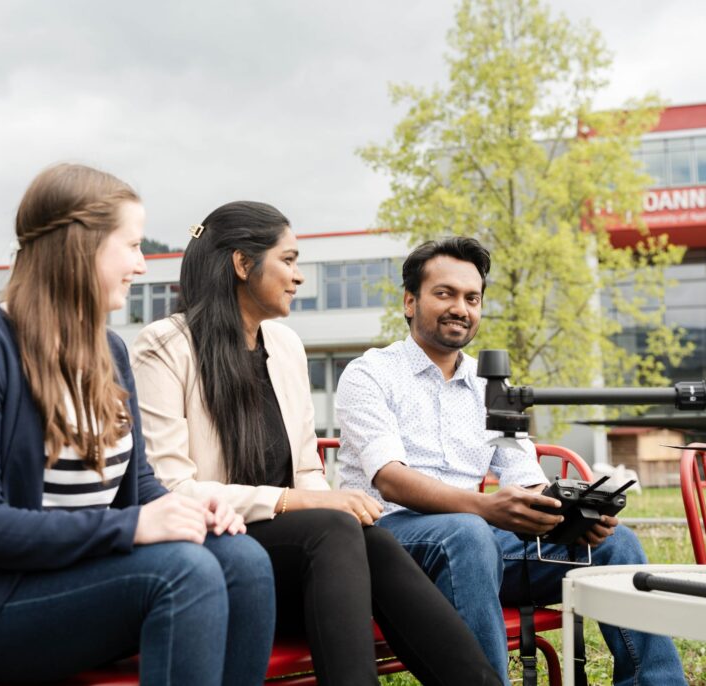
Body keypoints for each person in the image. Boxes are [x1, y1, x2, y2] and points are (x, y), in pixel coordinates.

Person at [0, 164, 275, 685]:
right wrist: (131, 526)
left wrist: (186, 506)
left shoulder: (108, 350)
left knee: (244, 562)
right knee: (184, 573)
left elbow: (139, 486)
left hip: (84, 578)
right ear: (79, 247)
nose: (141, 265)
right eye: (131, 246)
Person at [130, 202, 501, 686]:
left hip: (286, 546)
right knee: (333, 529)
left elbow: (306, 469)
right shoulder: (164, 345)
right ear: (243, 264)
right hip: (210, 543)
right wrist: (299, 501)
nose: (299, 276)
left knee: (368, 536)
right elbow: (169, 488)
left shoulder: (285, 347)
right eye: (288, 260)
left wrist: (322, 500)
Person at [335, 237, 687, 686]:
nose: (460, 308)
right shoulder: (370, 374)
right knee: (468, 532)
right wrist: (484, 508)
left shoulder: (492, 388)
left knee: (617, 545)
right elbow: (390, 480)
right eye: (444, 293)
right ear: (409, 301)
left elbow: (526, 479)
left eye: (472, 298)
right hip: (389, 548)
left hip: (477, 551)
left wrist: (569, 515)